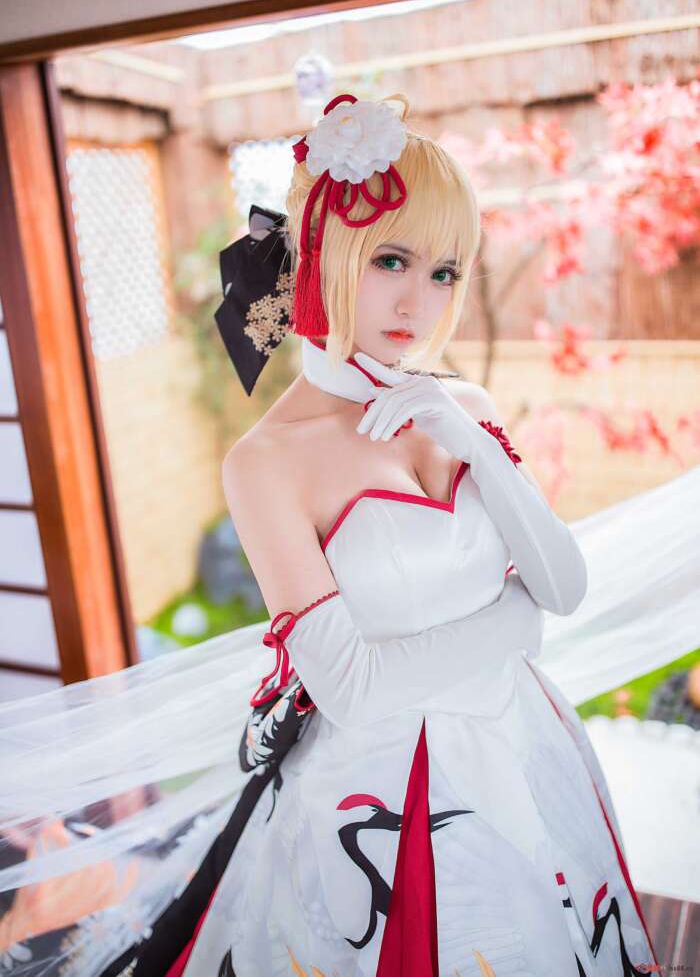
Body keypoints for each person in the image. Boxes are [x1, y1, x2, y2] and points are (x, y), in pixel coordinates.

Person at [3, 89, 689, 975]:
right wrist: (515, 625)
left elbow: (564, 586)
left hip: (526, 745)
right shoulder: (265, 462)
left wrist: (473, 440)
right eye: (392, 260)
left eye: (444, 273)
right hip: (382, 797)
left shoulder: (460, 406)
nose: (419, 302)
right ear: (326, 254)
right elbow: (356, 689)